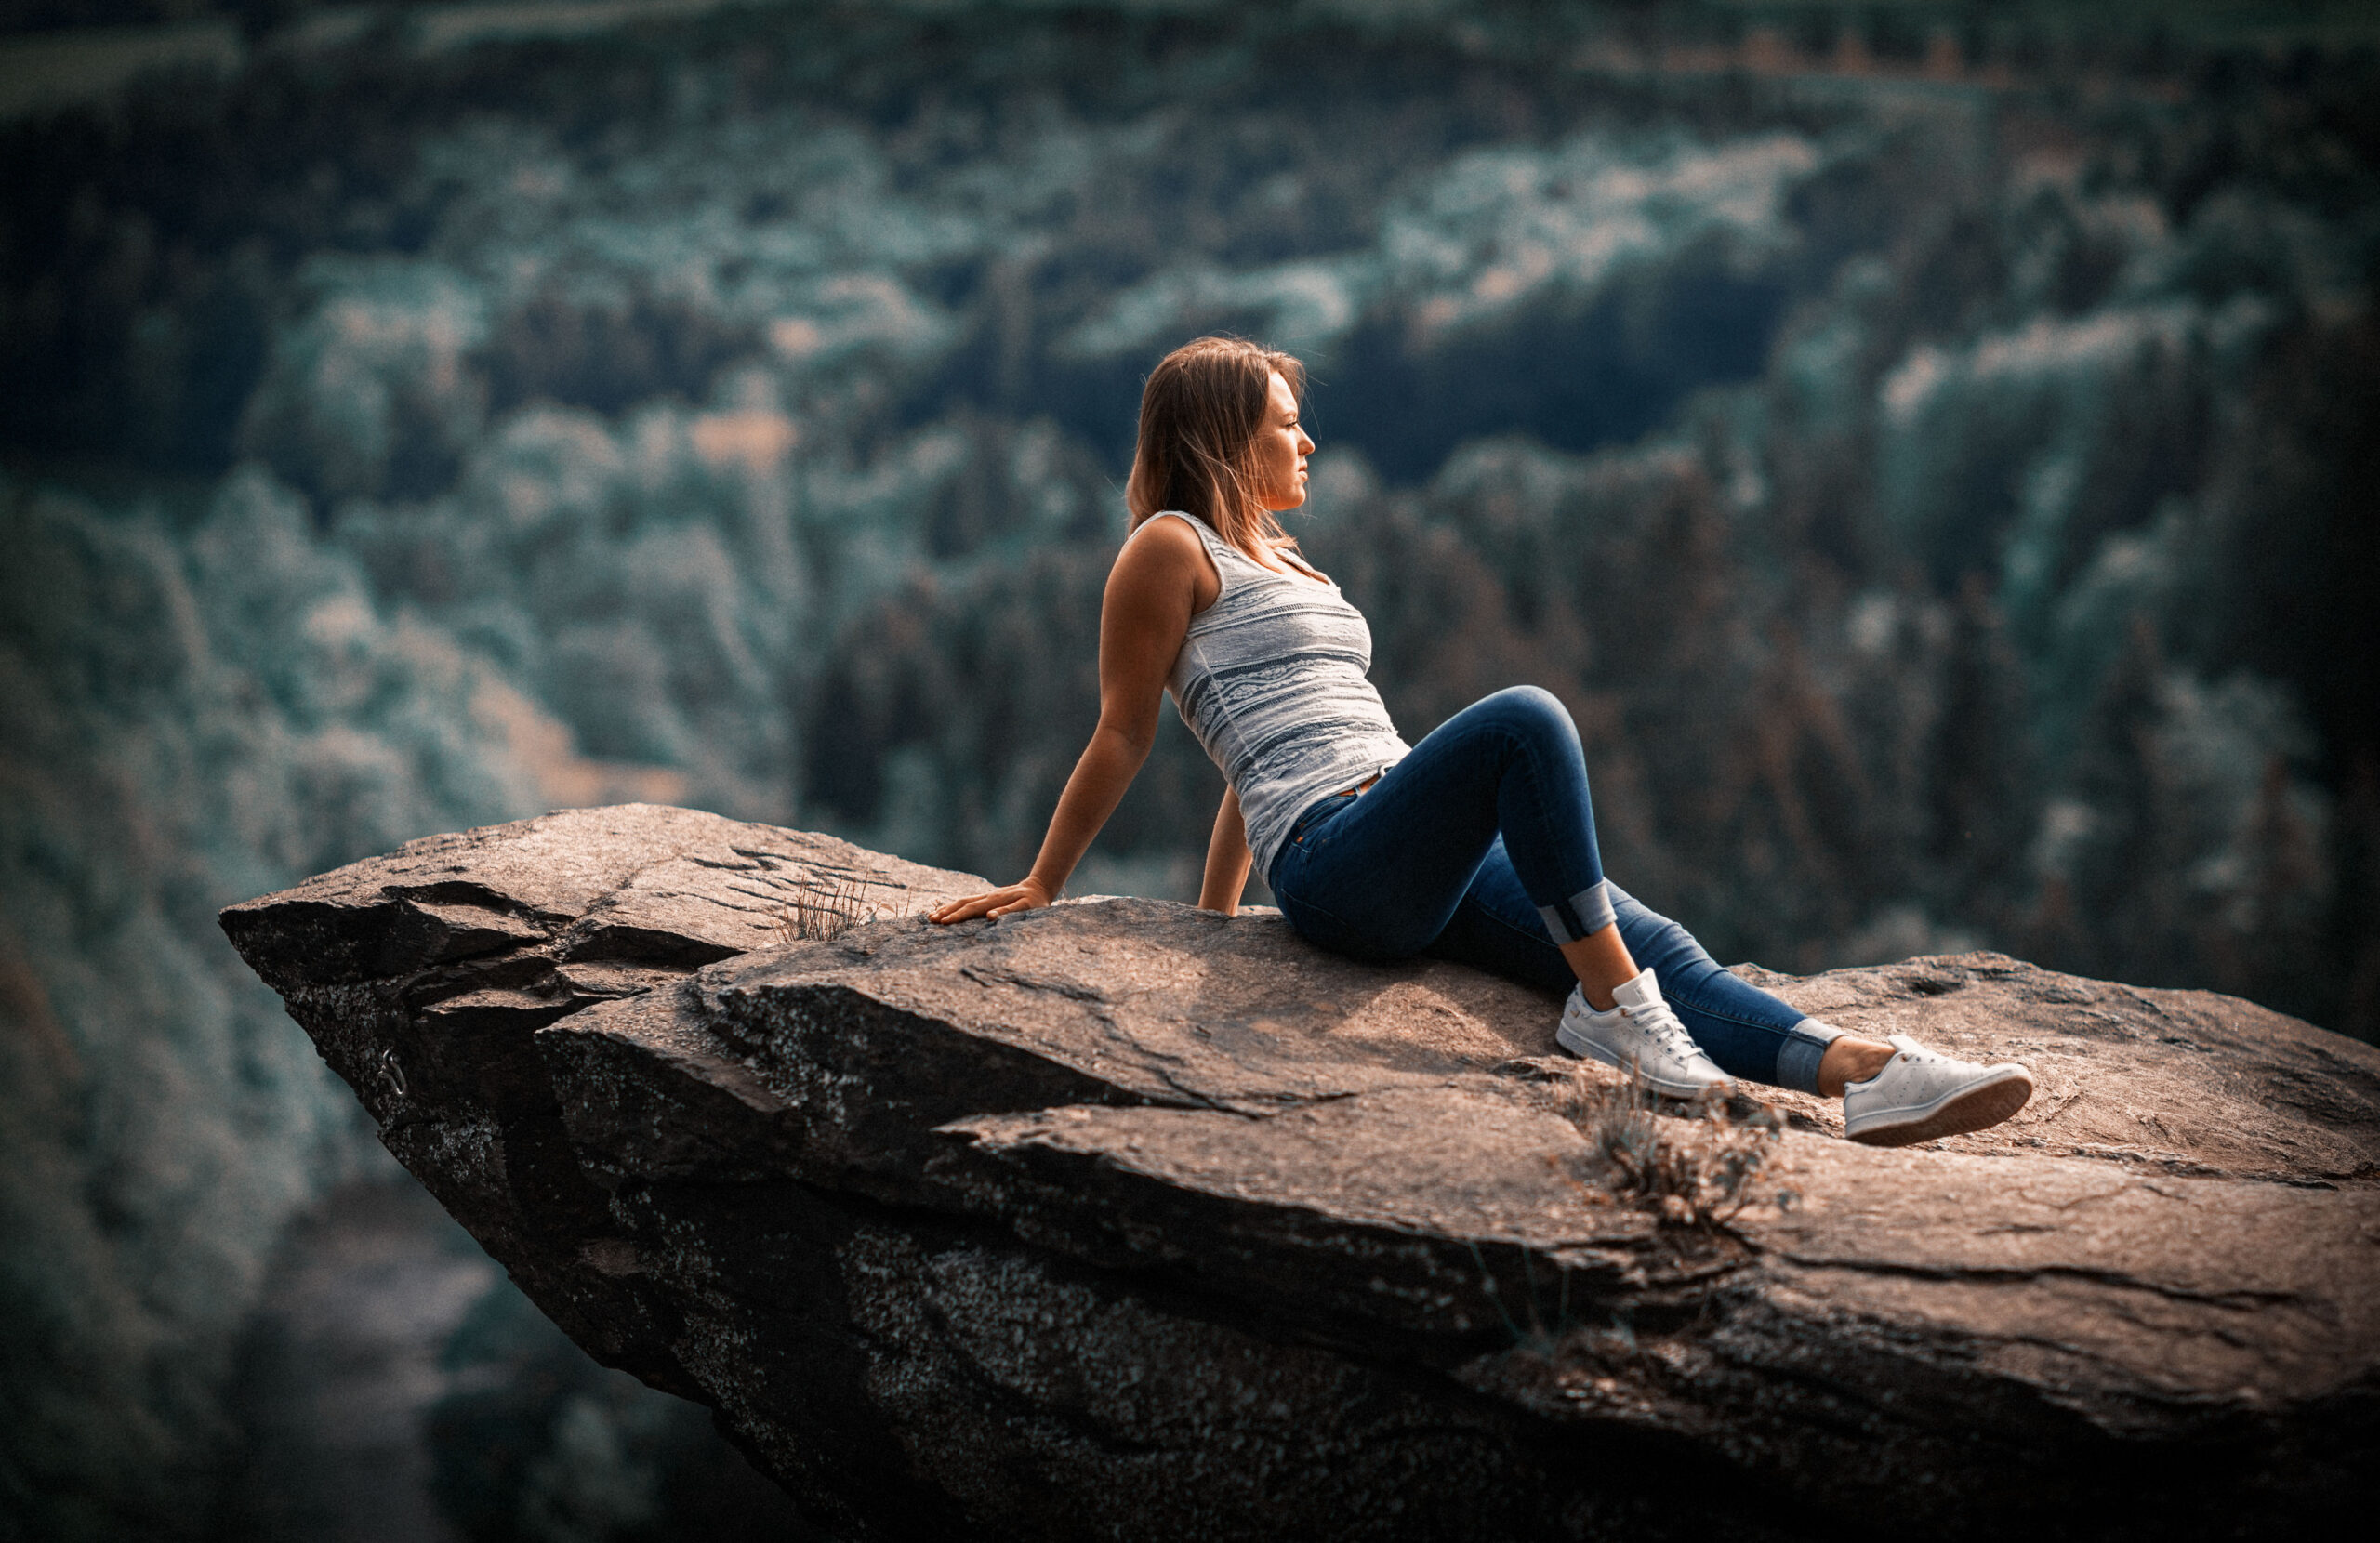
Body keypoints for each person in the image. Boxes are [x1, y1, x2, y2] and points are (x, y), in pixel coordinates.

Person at [929, 336, 2033, 1145]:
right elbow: (1126, 730)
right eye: (1282, 422)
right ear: (1222, 435)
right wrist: (1041, 882)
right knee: (1524, 721)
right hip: (1338, 861)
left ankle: (1864, 1071)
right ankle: (1614, 1020)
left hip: (1407, 834)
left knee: (1664, 944)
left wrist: (1218, 919)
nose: (1306, 439)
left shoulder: (1289, 560)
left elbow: (1251, 758)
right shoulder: (1164, 549)